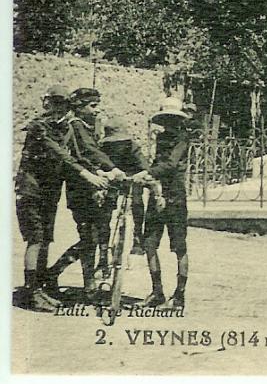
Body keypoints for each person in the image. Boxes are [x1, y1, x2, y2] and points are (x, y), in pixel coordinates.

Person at [15, 85, 103, 310]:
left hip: (49, 193)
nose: (57, 108)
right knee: (35, 239)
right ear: (48, 104)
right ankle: (31, 291)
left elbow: (78, 155)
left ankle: (40, 288)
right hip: (31, 190)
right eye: (54, 103)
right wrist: (86, 174)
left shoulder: (65, 127)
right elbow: (59, 153)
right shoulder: (38, 126)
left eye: (62, 104)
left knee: (45, 239)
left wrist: (97, 171)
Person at [48, 88, 122, 300]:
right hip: (80, 188)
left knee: (92, 237)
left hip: (90, 185)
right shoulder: (77, 126)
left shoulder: (86, 126)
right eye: (92, 106)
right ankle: (64, 276)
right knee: (89, 237)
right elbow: (89, 151)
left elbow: (86, 156)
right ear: (79, 107)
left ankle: (77, 281)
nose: (97, 110)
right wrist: (111, 168)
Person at [140, 98, 193, 308]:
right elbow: (156, 163)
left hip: (175, 196)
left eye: (173, 119)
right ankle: (157, 292)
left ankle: (179, 296)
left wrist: (149, 173)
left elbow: (170, 164)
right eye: (166, 119)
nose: (169, 123)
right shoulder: (161, 139)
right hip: (157, 194)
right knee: (149, 243)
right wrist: (147, 178)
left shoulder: (182, 138)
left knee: (179, 246)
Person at [97, 116, 164, 273]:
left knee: (137, 202)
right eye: (113, 143)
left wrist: (142, 175)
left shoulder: (132, 146)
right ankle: (102, 254)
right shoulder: (103, 148)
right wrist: (103, 174)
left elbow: (144, 166)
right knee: (105, 215)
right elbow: (97, 165)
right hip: (113, 181)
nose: (116, 145)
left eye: (119, 142)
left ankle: (137, 236)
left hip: (132, 179)